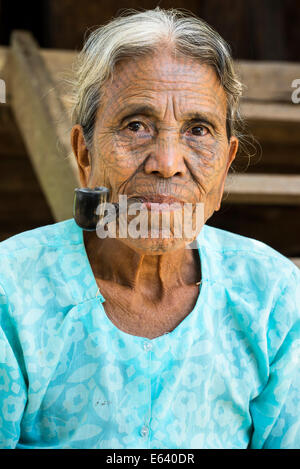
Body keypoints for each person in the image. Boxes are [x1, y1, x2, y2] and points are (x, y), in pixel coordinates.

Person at [0, 8, 299, 449]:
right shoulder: (13, 288)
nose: (168, 163)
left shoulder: (271, 293)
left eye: (198, 130)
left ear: (226, 168)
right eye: (136, 125)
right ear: (84, 156)